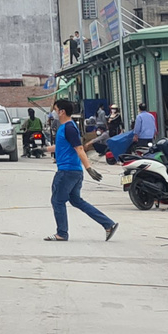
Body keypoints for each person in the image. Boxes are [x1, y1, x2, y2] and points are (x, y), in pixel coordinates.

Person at [47, 97, 117, 242]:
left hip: (67, 171)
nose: (54, 113)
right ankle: (108, 224)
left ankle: (61, 234)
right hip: (73, 171)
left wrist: (89, 168)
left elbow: (79, 148)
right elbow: (61, 147)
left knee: (57, 201)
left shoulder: (69, 127)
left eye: (55, 110)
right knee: (76, 200)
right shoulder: (66, 127)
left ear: (62, 112)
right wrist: (43, 149)